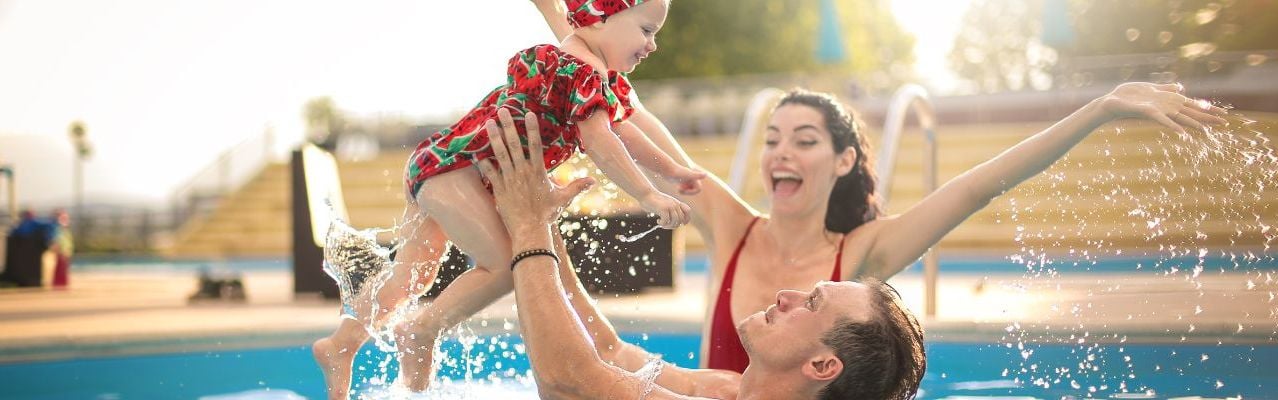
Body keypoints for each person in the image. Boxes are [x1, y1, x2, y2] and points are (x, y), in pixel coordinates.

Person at [528, 0, 1232, 372]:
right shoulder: (731, 227)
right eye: (773, 139)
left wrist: (1100, 109)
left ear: (841, 162)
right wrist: (564, 23)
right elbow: (623, 99)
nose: (781, 154)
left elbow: (980, 187)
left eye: (804, 141)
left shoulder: (858, 261)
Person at [313, 1, 705, 398]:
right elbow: (602, 141)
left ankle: (342, 344)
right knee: (504, 265)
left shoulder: (589, 74)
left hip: (441, 165)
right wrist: (648, 194)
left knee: (414, 276)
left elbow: (621, 131)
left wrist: (672, 171)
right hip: (456, 172)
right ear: (601, 17)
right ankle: (420, 331)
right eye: (647, 30)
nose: (652, 45)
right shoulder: (580, 71)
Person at [480, 110, 926, 399]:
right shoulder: (727, 389)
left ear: (823, 365)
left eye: (812, 303)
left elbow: (567, 381)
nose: (788, 295)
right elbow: (607, 351)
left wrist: (528, 228)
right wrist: (543, 217)